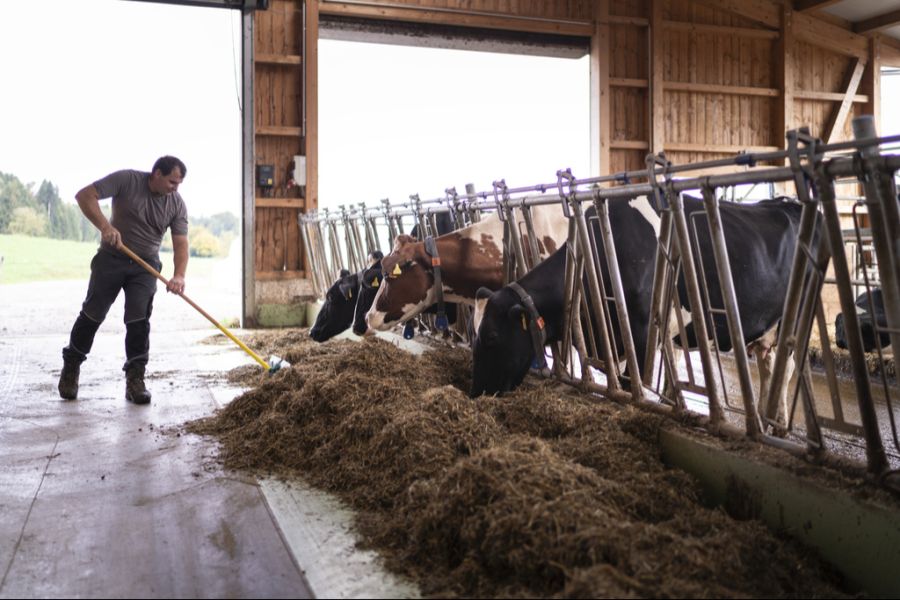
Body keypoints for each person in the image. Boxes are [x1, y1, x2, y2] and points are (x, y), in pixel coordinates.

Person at [58, 156, 189, 405]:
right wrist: (106, 227)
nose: (175, 188)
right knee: (92, 314)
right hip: (111, 259)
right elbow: (84, 195)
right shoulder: (126, 180)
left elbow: (181, 244)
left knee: (138, 320)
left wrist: (179, 275)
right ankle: (71, 368)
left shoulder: (176, 204)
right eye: (172, 182)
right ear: (156, 174)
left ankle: (135, 380)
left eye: (179, 184)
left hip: (145, 267)